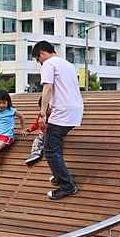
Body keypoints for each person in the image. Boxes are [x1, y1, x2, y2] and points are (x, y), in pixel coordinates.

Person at [32, 40, 84, 200]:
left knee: (49, 149)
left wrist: (42, 114)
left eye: (37, 59)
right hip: (76, 109)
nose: (39, 63)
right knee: (54, 144)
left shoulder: (48, 64)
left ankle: (67, 186)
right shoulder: (67, 64)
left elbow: (47, 88)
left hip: (62, 111)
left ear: (42, 53)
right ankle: (59, 175)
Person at [24, 96, 51, 165]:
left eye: (49, 108)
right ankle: (35, 153)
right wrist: (30, 129)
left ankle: (43, 150)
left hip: (52, 133)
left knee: (49, 142)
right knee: (36, 141)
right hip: (42, 133)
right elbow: (37, 124)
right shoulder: (41, 115)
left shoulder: (55, 115)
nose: (47, 110)